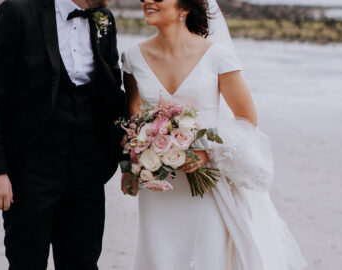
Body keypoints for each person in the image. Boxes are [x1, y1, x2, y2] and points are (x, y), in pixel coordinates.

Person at [120, 0, 308, 269]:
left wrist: (206, 152)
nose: (147, 1)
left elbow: (246, 118)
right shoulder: (132, 58)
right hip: (158, 182)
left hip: (206, 182)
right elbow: (135, 115)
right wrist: (135, 162)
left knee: (206, 255)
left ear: (183, 8)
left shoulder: (217, 56)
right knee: (160, 255)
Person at [0, 0, 126, 268]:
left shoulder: (105, 20)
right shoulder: (18, 12)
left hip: (87, 168)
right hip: (30, 167)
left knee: (84, 262)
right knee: (26, 262)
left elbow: (111, 91)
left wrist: (128, 157)